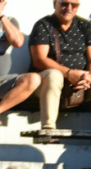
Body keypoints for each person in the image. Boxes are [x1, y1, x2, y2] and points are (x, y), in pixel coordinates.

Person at [30, 0, 91, 133]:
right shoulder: (43, 25)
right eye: (64, 3)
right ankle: (48, 128)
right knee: (54, 75)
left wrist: (88, 77)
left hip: (82, 82)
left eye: (73, 5)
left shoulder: (85, 26)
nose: (69, 8)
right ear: (55, 4)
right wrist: (69, 73)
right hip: (47, 83)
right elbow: (39, 60)